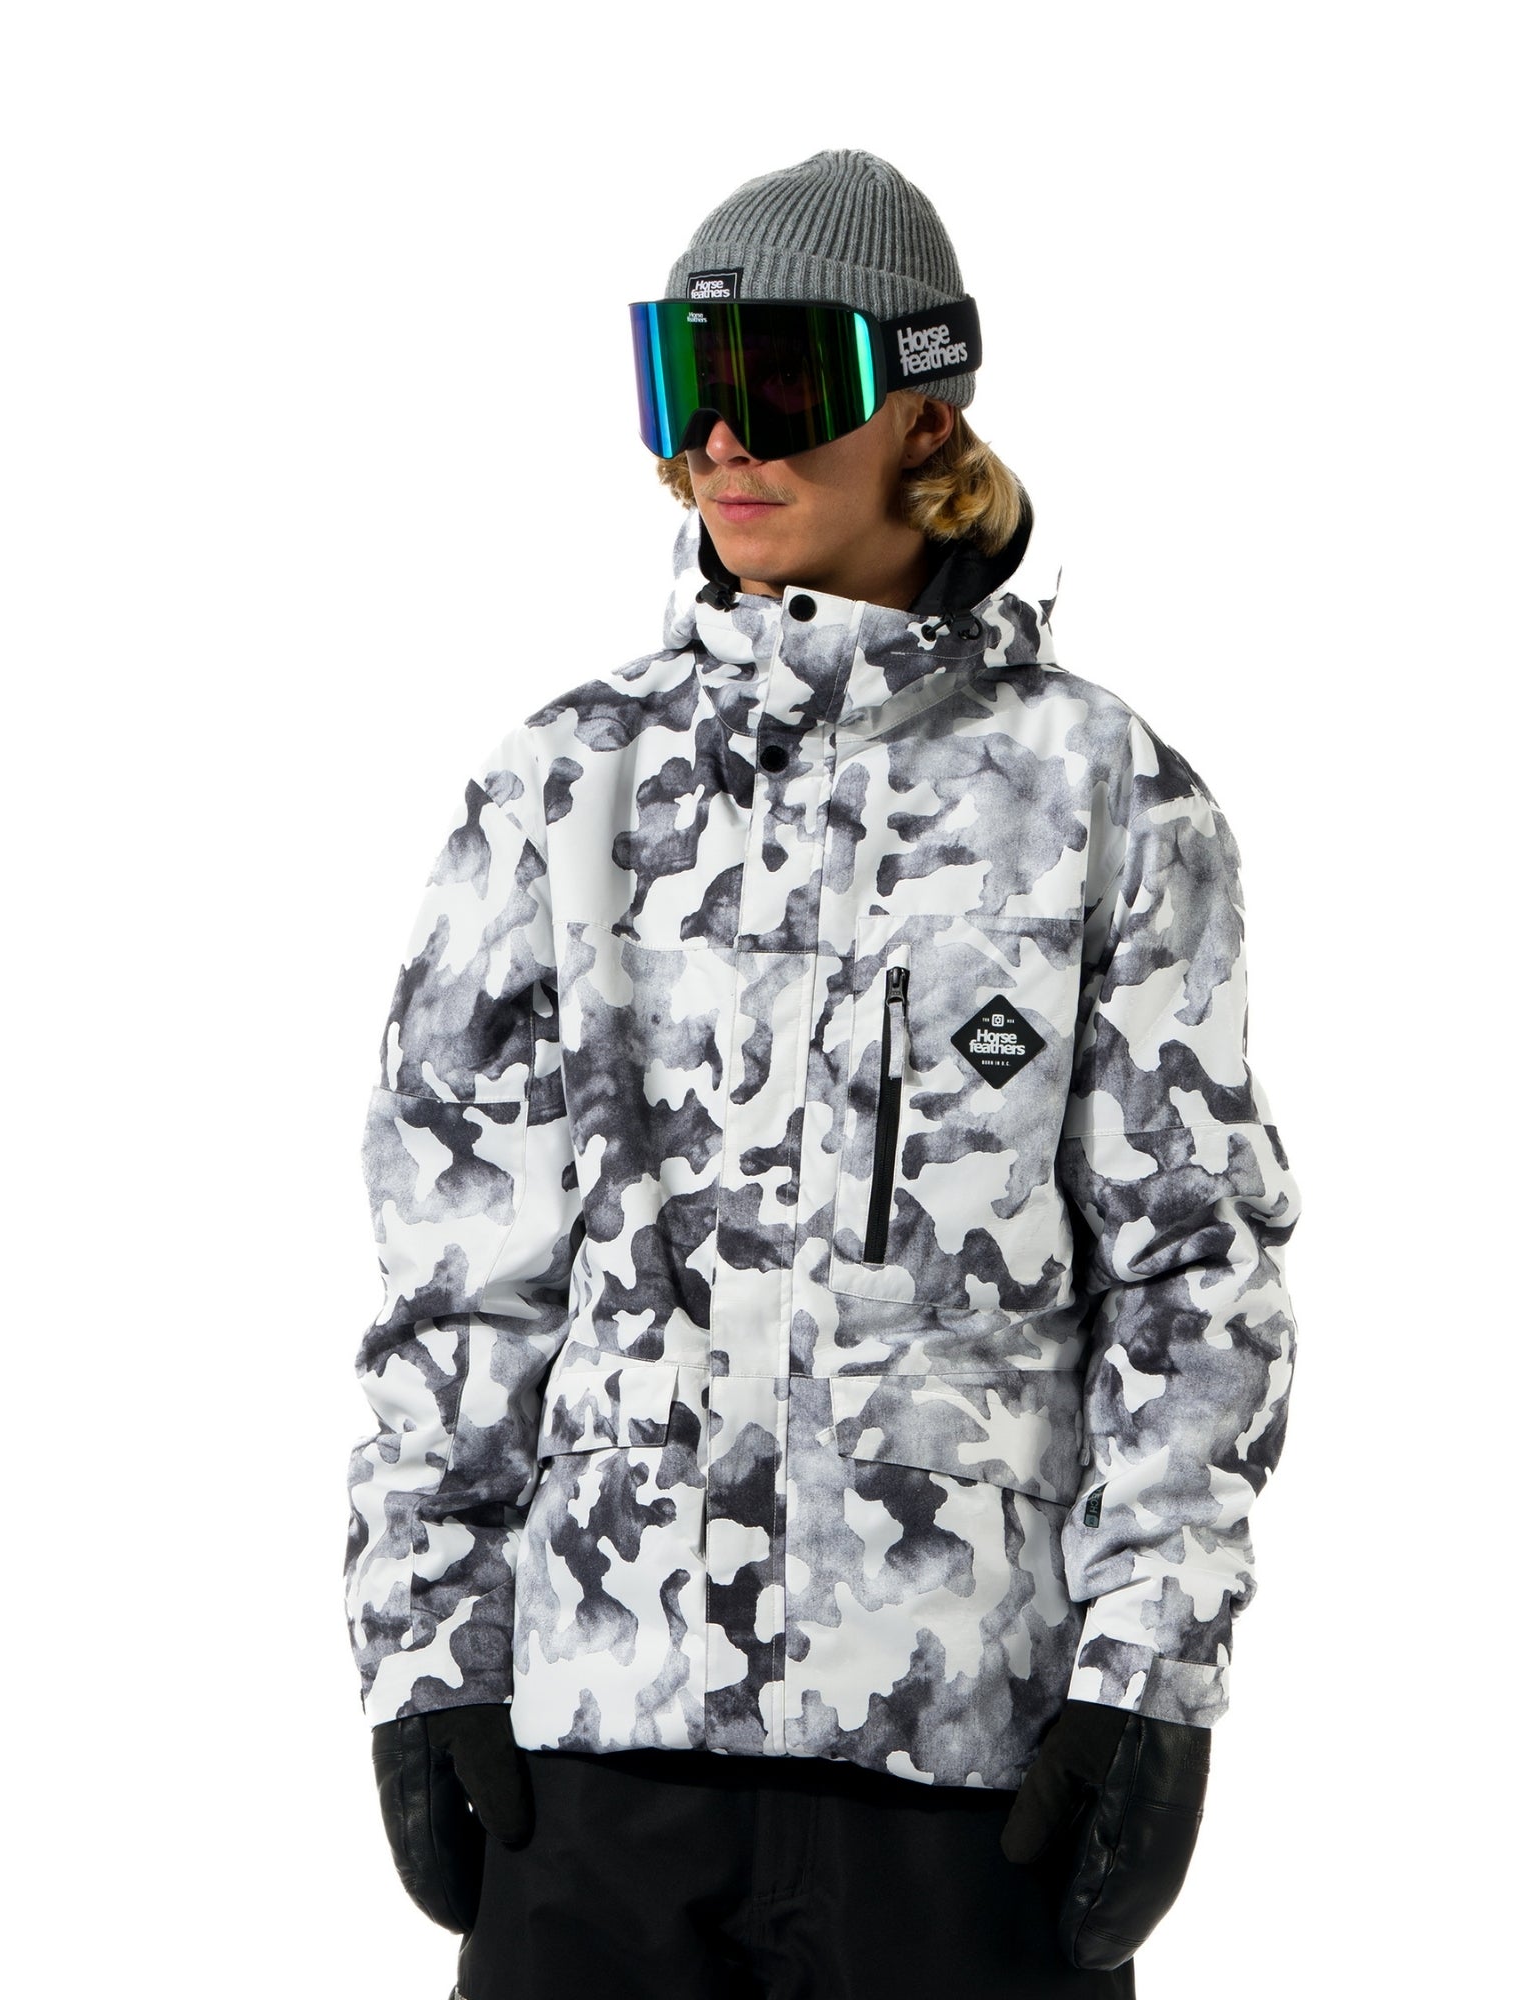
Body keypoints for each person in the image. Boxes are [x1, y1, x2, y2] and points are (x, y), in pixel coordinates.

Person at [344, 147, 1302, 2000]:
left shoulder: (1102, 795)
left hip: (963, 1767)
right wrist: (426, 1646)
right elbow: (459, 1270)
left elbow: (1194, 1272)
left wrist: (1151, 1679)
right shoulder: (564, 787)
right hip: (600, 1751)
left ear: (923, 408)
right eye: (683, 382)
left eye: (776, 382)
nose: (724, 441)